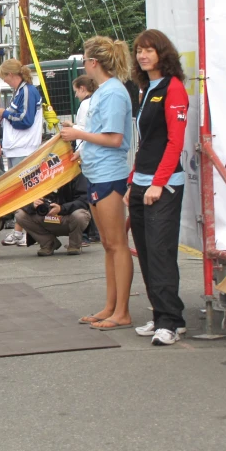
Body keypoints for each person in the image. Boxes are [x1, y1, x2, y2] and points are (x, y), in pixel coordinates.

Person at [59, 35, 134, 331]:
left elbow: (115, 139)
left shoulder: (113, 93)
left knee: (117, 244)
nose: (84, 66)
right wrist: (81, 144)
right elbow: (100, 134)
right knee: (108, 244)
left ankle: (123, 310)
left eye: (85, 61)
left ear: (93, 62)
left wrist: (79, 135)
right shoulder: (104, 92)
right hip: (97, 172)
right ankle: (111, 305)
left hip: (109, 174)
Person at [126, 29, 189, 346]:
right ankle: (163, 313)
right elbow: (147, 143)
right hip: (140, 182)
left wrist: (158, 183)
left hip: (164, 185)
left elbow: (174, 143)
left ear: (162, 53)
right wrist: (132, 181)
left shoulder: (173, 88)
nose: (142, 54)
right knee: (148, 253)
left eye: (149, 49)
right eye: (139, 50)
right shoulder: (146, 88)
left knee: (161, 252)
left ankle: (171, 323)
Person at [0, 59, 42, 247]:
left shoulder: (28, 91)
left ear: (11, 75)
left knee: (26, 191)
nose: (5, 81)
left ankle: (28, 231)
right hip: (16, 147)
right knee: (21, 191)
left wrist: (4, 113)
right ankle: (20, 230)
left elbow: (26, 120)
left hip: (25, 148)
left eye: (4, 77)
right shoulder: (20, 91)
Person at [14, 174, 91, 256]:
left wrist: (62, 208)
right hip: (46, 217)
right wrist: (32, 204)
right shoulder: (38, 174)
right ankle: (48, 243)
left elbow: (84, 200)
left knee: (80, 215)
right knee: (20, 215)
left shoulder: (76, 173)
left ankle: (74, 245)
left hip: (68, 217)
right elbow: (20, 200)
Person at [72, 75, 101, 245]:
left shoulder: (85, 104)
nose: (76, 95)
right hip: (93, 152)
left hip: (85, 153)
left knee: (88, 193)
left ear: (83, 89)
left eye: (76, 91)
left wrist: (72, 128)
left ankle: (90, 231)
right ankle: (95, 231)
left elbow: (84, 130)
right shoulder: (96, 101)